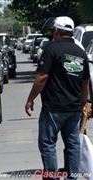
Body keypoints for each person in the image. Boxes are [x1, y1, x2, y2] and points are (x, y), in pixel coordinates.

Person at [25, 16, 90, 179]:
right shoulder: (81, 53)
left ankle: (53, 177)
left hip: (53, 109)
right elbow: (85, 83)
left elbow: (42, 77)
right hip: (74, 109)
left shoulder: (51, 50)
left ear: (55, 31)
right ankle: (71, 177)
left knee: (48, 144)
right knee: (73, 144)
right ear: (73, 32)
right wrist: (84, 104)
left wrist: (30, 99)